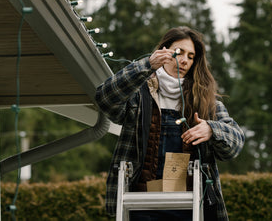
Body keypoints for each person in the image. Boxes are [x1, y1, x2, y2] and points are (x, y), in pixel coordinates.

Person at [95, 26, 245, 221]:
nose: (184, 60)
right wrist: (146, 65)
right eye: (179, 52)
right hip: (140, 205)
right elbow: (104, 98)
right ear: (163, 51)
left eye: (191, 56)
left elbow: (236, 143)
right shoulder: (137, 95)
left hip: (191, 206)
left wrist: (212, 129)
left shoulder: (206, 102)